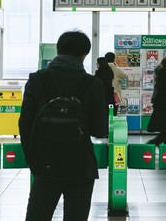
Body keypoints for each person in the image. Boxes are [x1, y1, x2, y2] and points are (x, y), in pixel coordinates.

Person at [19, 30, 108, 221]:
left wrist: (33, 158)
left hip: (45, 163)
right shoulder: (92, 84)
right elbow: (100, 129)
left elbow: (25, 123)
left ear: (58, 50)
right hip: (80, 165)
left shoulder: (37, 80)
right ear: (84, 54)